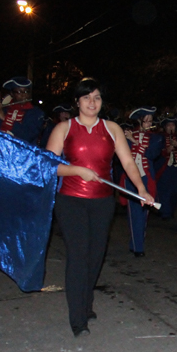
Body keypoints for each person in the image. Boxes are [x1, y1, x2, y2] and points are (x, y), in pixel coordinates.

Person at [46, 78, 154, 338]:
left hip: (103, 201)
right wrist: (77, 170)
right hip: (70, 200)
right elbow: (48, 165)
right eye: (86, 98)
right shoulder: (64, 128)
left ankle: (86, 302)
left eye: (96, 97)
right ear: (77, 102)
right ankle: (77, 318)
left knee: (96, 255)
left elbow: (128, 162)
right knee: (78, 255)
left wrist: (141, 188)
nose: (92, 103)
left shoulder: (112, 128)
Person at [123, 106, 162, 257]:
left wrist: (134, 141)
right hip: (131, 178)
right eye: (145, 121)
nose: (147, 124)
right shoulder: (129, 135)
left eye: (150, 121)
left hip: (146, 177)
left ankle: (137, 244)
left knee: (144, 211)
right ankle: (136, 245)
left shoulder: (156, 138)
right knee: (133, 212)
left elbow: (152, 154)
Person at [0, 76, 45, 144]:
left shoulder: (36, 113)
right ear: (12, 94)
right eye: (19, 92)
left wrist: (5, 118)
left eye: (26, 91)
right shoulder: (0, 110)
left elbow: (27, 136)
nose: (23, 95)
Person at [154, 117, 177, 220]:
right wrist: (165, 151)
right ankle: (165, 212)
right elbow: (155, 152)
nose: (171, 127)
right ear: (165, 127)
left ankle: (170, 210)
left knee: (175, 191)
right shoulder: (159, 138)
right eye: (168, 125)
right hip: (164, 168)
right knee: (164, 190)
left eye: (172, 125)